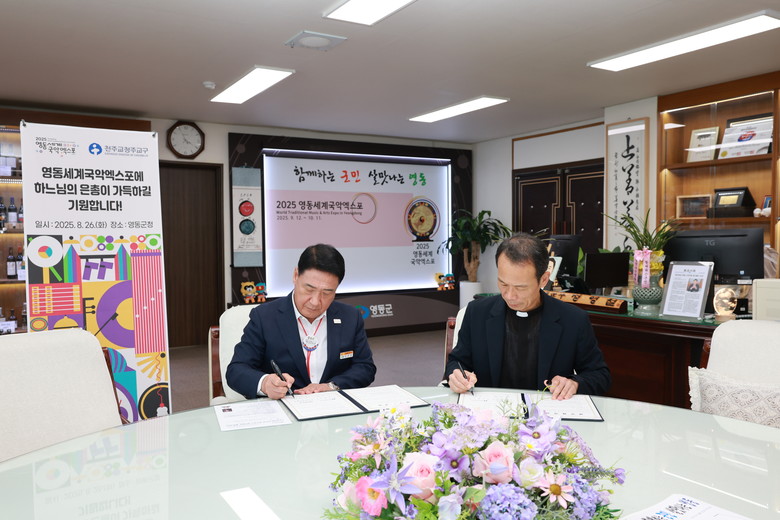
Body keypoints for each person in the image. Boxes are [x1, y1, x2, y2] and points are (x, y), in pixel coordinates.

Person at [445, 232, 610, 400]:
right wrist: (456, 375)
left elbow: (600, 375)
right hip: (490, 410)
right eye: (503, 283)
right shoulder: (477, 313)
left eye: (520, 287)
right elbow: (457, 361)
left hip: (546, 411)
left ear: (544, 279)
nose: (509, 295)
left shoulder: (573, 319)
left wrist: (574, 383)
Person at [227, 244, 376, 400]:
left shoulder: (350, 317)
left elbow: (365, 368)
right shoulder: (264, 317)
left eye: (326, 293)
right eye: (309, 289)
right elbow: (236, 370)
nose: (315, 302)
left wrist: (331, 386)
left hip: (333, 405)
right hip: (284, 406)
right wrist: (265, 384)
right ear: (296, 275)